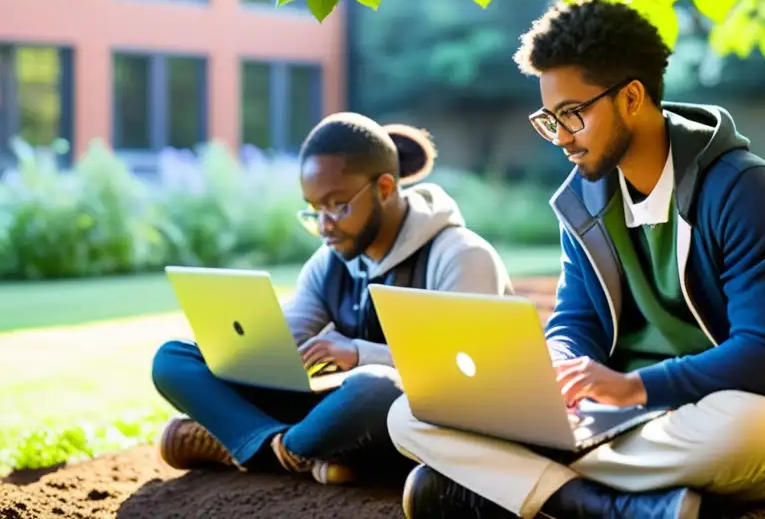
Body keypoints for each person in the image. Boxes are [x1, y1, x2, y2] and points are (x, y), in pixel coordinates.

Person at [387, 0, 765, 518]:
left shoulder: (745, 191)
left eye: (573, 114)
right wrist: (564, 368)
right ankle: (603, 506)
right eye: (550, 119)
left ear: (632, 96)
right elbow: (576, 318)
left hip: (723, 407)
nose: (563, 138)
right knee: (409, 412)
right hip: (614, 418)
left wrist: (633, 386)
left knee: (753, 430)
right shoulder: (582, 199)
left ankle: (516, 485)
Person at [152, 113, 513, 485]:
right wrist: (253, 350)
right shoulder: (330, 261)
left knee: (373, 388)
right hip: (342, 415)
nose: (325, 225)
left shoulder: (460, 255)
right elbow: (293, 336)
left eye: (338, 205)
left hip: (419, 418)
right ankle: (288, 450)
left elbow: (469, 376)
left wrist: (359, 353)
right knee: (175, 357)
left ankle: (249, 443)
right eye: (314, 209)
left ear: (386, 188)